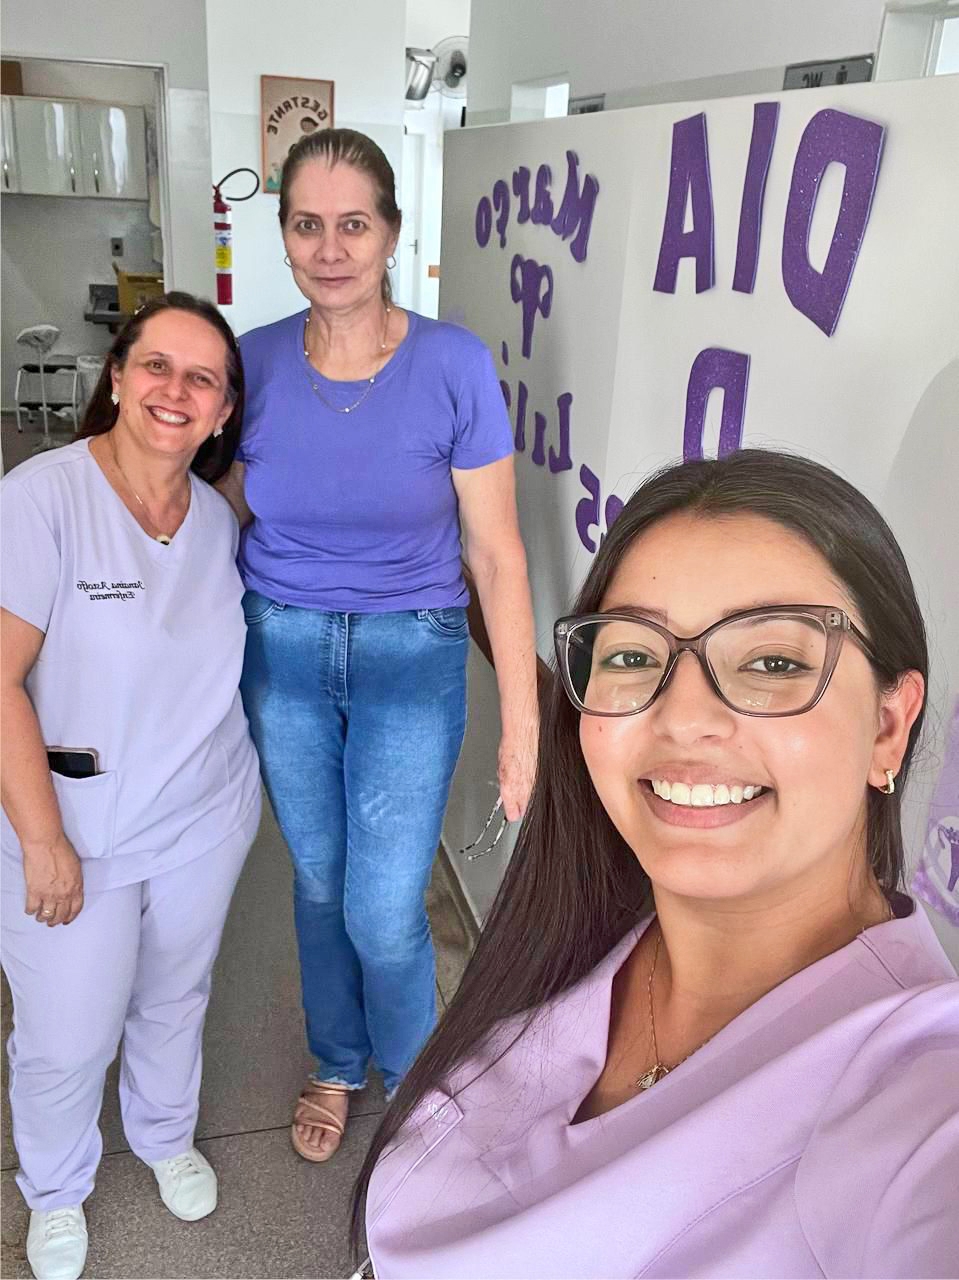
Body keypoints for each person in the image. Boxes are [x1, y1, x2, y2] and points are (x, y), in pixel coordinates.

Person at [354, 449, 959, 1279]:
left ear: (888, 727)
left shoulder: (917, 1104)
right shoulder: (577, 933)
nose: (682, 717)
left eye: (772, 663)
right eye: (634, 656)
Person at [215, 127, 538, 1163]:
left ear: (391, 233)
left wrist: (522, 729)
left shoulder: (453, 364)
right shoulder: (254, 361)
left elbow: (496, 555)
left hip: (410, 657)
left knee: (385, 903)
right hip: (284, 653)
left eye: (353, 223)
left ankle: (411, 1074)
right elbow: (217, 512)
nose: (330, 248)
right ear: (282, 235)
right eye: (307, 224)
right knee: (317, 883)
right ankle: (336, 1057)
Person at [1, 293, 261, 1280]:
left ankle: (162, 1133)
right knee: (68, 1030)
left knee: (174, 994)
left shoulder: (216, 518)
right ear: (117, 377)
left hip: (204, 813)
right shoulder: (44, 498)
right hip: (75, 824)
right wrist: (42, 841)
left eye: (202, 379)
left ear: (222, 410)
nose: (174, 391)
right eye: (156, 366)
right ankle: (54, 1187)